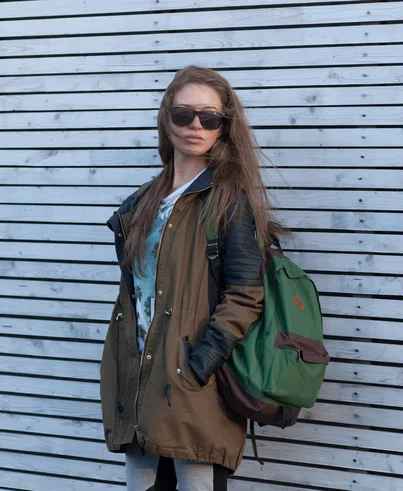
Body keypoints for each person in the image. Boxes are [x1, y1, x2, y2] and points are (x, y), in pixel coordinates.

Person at [100, 66, 284, 490]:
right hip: (138, 377)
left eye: (209, 117)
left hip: (192, 385)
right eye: (183, 115)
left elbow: (245, 294)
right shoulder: (142, 202)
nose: (195, 125)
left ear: (224, 126)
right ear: (166, 119)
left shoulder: (227, 199)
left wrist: (198, 366)